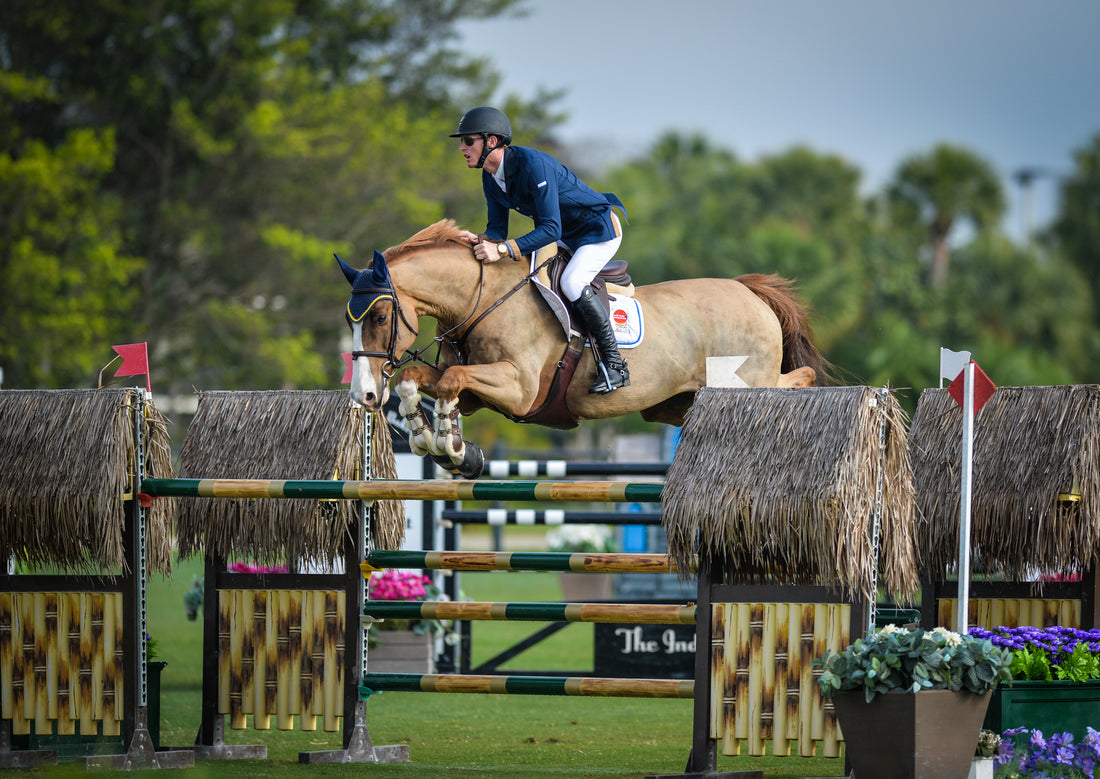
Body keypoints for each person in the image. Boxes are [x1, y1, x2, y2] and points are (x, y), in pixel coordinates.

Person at [451, 106, 630, 394]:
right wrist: (481, 238)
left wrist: (505, 249)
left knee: (572, 282)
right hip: (565, 234)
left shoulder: (534, 165)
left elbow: (550, 230)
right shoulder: (490, 176)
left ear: (492, 142)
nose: (462, 147)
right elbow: (498, 229)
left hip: (597, 231)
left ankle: (615, 365)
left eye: (468, 141)